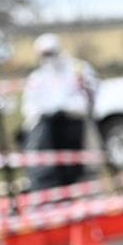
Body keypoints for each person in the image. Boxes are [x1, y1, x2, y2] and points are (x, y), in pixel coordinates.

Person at [22, 33, 97, 190]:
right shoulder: (38, 77)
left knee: (78, 166)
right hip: (47, 129)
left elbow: (91, 96)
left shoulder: (78, 69)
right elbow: (29, 105)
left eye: (51, 52)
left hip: (75, 125)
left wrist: (68, 109)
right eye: (44, 54)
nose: (48, 57)